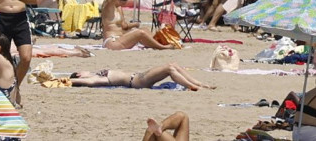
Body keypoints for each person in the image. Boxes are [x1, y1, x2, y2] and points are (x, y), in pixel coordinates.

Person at [100, 0, 175, 50]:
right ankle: (162, 47)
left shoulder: (117, 7)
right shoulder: (108, 6)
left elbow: (124, 25)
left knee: (144, 30)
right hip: (112, 42)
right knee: (140, 33)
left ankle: (161, 42)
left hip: (119, 38)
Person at [69, 64, 212, 90]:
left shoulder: (97, 75)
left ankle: (199, 83)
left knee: (172, 65)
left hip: (138, 77)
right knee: (169, 69)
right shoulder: (96, 78)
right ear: (80, 74)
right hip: (136, 81)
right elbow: (89, 82)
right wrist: (70, 80)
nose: (84, 70)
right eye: (81, 71)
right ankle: (193, 86)